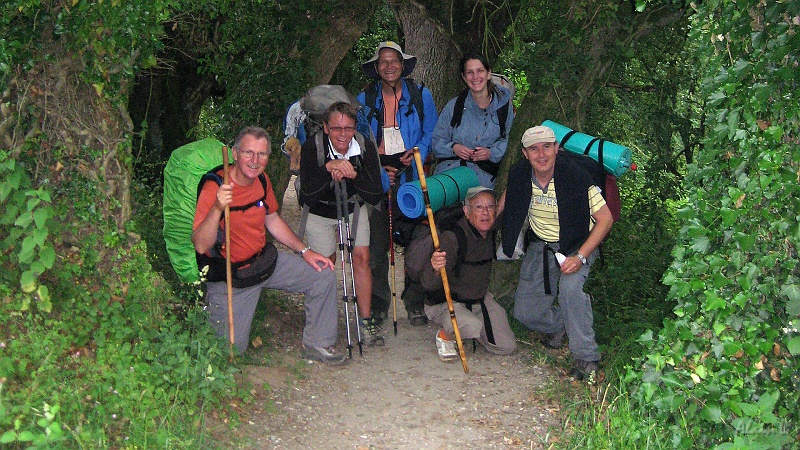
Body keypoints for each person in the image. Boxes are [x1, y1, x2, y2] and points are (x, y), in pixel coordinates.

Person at [192, 126, 347, 365]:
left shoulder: (262, 181)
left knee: (322, 273)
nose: (255, 161)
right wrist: (217, 208)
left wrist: (305, 251)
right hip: (232, 277)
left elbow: (272, 220)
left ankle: (318, 343)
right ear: (235, 153)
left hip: (263, 263)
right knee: (227, 353)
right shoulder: (215, 187)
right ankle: (210, 310)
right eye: (248, 153)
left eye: (262, 154)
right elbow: (201, 245)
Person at [498, 125, 613, 380]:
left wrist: (581, 256)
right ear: (525, 153)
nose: (541, 154)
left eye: (547, 147)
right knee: (524, 312)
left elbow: (605, 220)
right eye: (534, 149)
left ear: (557, 149)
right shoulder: (519, 174)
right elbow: (507, 201)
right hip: (542, 246)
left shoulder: (576, 176)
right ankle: (563, 324)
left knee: (571, 290)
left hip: (578, 243)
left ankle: (587, 357)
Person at [357, 41, 438, 326]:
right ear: (377, 68)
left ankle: (414, 301)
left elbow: (431, 132)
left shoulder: (420, 95)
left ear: (403, 66)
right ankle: (379, 304)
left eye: (394, 61)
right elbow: (359, 142)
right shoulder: (365, 99)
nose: (389, 66)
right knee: (377, 244)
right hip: (378, 174)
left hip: (413, 174)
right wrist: (379, 172)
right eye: (383, 62)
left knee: (417, 240)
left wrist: (417, 154)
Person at [298, 102, 386, 346]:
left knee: (362, 259)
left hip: (352, 208)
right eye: (337, 128)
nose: (343, 134)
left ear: (355, 127)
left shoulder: (365, 147)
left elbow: (375, 192)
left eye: (348, 128)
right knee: (325, 265)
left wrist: (353, 175)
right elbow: (307, 193)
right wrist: (328, 168)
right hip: (319, 211)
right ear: (326, 128)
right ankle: (322, 320)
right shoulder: (311, 147)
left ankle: (365, 320)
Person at [420, 187, 516, 361]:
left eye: (490, 207)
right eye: (478, 207)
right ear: (467, 211)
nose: (485, 213)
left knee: (506, 346)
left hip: (478, 300)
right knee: (472, 325)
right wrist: (435, 266)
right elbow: (428, 285)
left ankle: (471, 332)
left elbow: (503, 204)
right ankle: (445, 336)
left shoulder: (490, 229)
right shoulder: (453, 238)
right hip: (446, 302)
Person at [432, 54, 515, 188]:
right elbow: (436, 142)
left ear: (489, 74)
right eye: (469, 72)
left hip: (485, 178)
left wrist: (490, 153)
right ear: (464, 77)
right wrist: (454, 148)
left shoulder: (504, 108)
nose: (475, 77)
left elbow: (509, 140)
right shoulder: (454, 106)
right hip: (451, 174)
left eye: (480, 71)